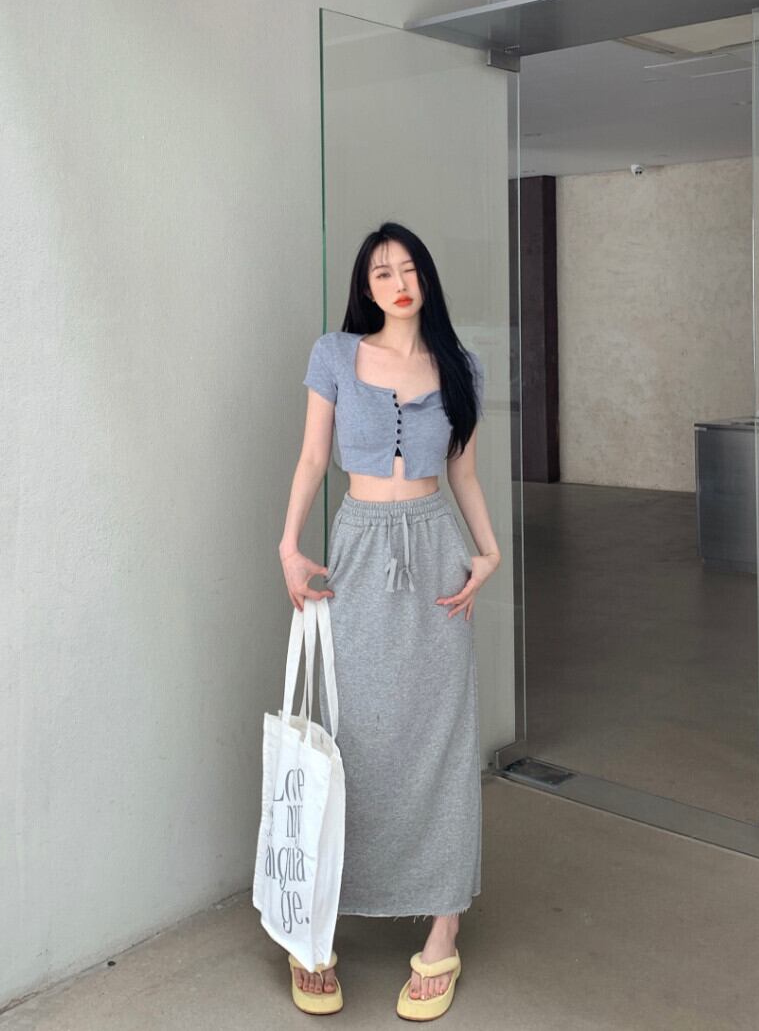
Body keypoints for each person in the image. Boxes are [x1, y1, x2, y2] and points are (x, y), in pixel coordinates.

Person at [278, 221, 501, 1019]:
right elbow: (313, 458)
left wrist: (488, 550)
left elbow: (464, 473)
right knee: (349, 733)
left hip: (436, 551)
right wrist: (289, 544)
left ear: (426, 278)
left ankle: (443, 928)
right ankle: (315, 922)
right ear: (365, 286)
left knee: (441, 732)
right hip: (360, 547)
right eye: (382, 272)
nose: (398, 283)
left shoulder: (461, 366)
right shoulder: (334, 355)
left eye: (408, 269)